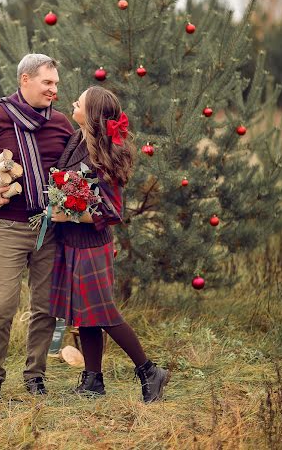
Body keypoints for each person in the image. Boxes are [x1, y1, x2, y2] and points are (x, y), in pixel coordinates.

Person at [0, 54, 74, 397]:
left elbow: (73, 169)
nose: (54, 90)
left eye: (56, 84)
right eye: (47, 83)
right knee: (2, 304)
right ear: (25, 80)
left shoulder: (62, 123)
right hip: (9, 228)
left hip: (50, 229)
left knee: (45, 306)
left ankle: (35, 375)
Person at [49, 86, 170, 403]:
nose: (73, 102)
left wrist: (70, 215)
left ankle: (150, 371)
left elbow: (112, 212)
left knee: (103, 313)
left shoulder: (101, 156)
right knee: (84, 314)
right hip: (72, 243)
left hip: (91, 245)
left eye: (80, 102)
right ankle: (93, 380)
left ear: (90, 115)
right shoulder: (77, 140)